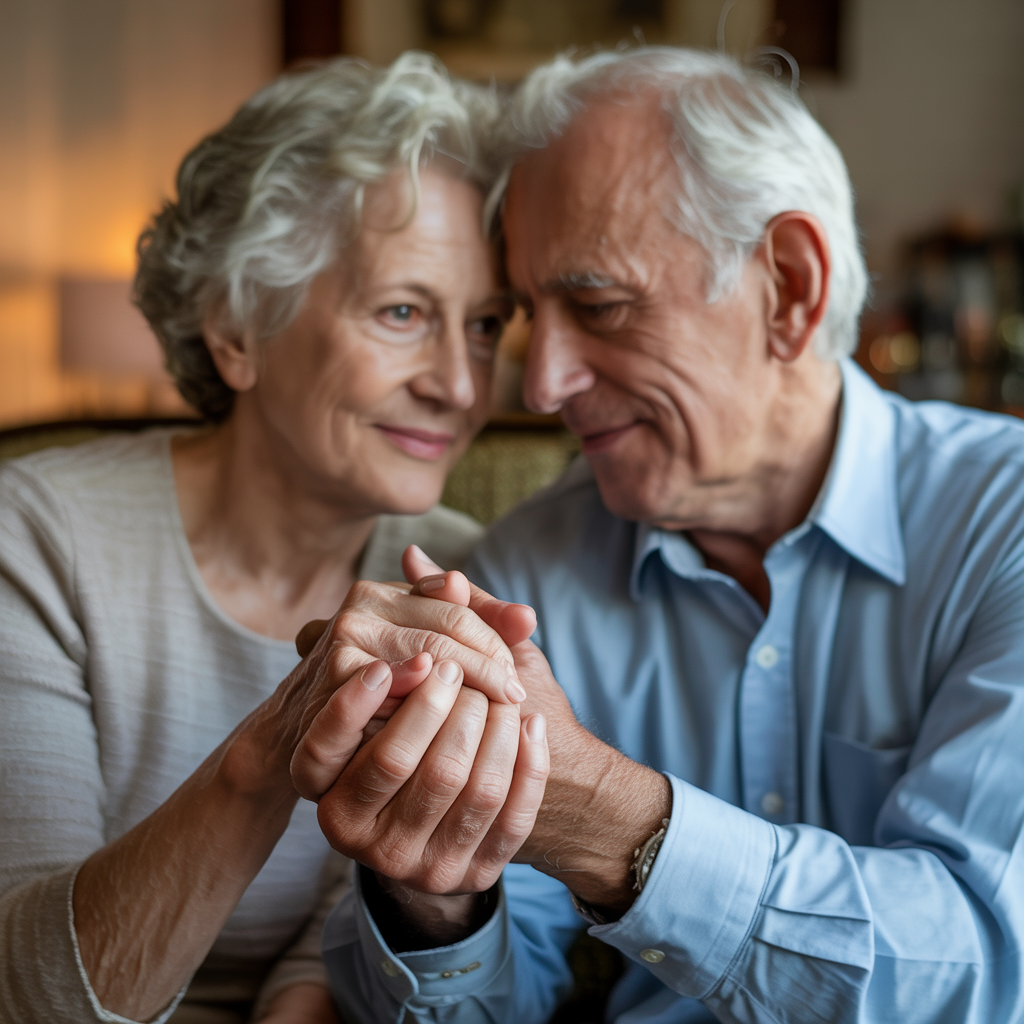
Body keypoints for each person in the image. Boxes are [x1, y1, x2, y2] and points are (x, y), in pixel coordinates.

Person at [289, 48, 1024, 1023]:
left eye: (598, 306)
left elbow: (982, 967)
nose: (542, 384)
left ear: (788, 288)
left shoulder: (1005, 523)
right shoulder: (521, 574)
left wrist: (599, 814)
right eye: (527, 320)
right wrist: (436, 885)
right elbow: (491, 1006)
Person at [0, 53, 536, 1024]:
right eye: (404, 311)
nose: (461, 385)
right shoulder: (38, 538)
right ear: (237, 327)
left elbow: (382, 961)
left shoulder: (469, 570)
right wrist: (270, 751)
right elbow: (31, 995)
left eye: (487, 325)